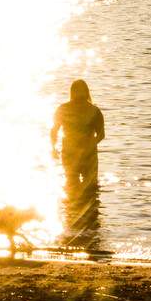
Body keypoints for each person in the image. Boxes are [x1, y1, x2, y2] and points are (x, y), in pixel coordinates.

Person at [51, 79, 105, 236]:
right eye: (76, 92)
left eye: (81, 92)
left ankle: (85, 226)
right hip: (70, 153)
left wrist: (91, 144)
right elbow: (54, 130)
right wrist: (53, 147)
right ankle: (74, 225)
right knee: (72, 186)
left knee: (90, 189)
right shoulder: (63, 109)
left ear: (86, 93)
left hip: (87, 155)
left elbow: (101, 134)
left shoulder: (94, 111)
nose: (78, 95)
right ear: (72, 93)